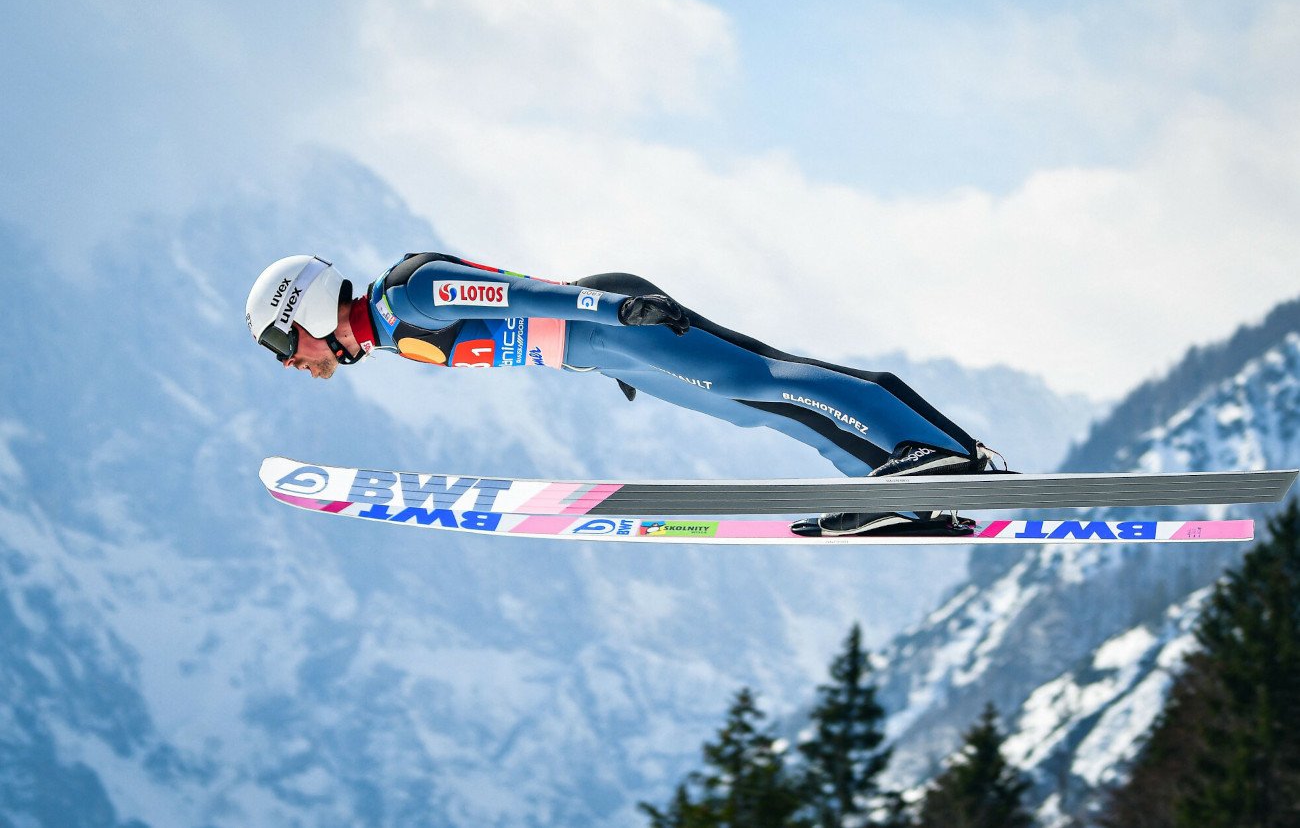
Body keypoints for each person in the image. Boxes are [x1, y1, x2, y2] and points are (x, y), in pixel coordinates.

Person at [246, 252, 1001, 536]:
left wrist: (615, 314)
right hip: (612, 353)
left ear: (304, 309)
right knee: (750, 413)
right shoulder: (388, 327)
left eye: (284, 345)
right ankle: (893, 492)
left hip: (618, 325)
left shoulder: (407, 296)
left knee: (763, 380)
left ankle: (943, 454)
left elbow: (520, 295)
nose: (291, 362)